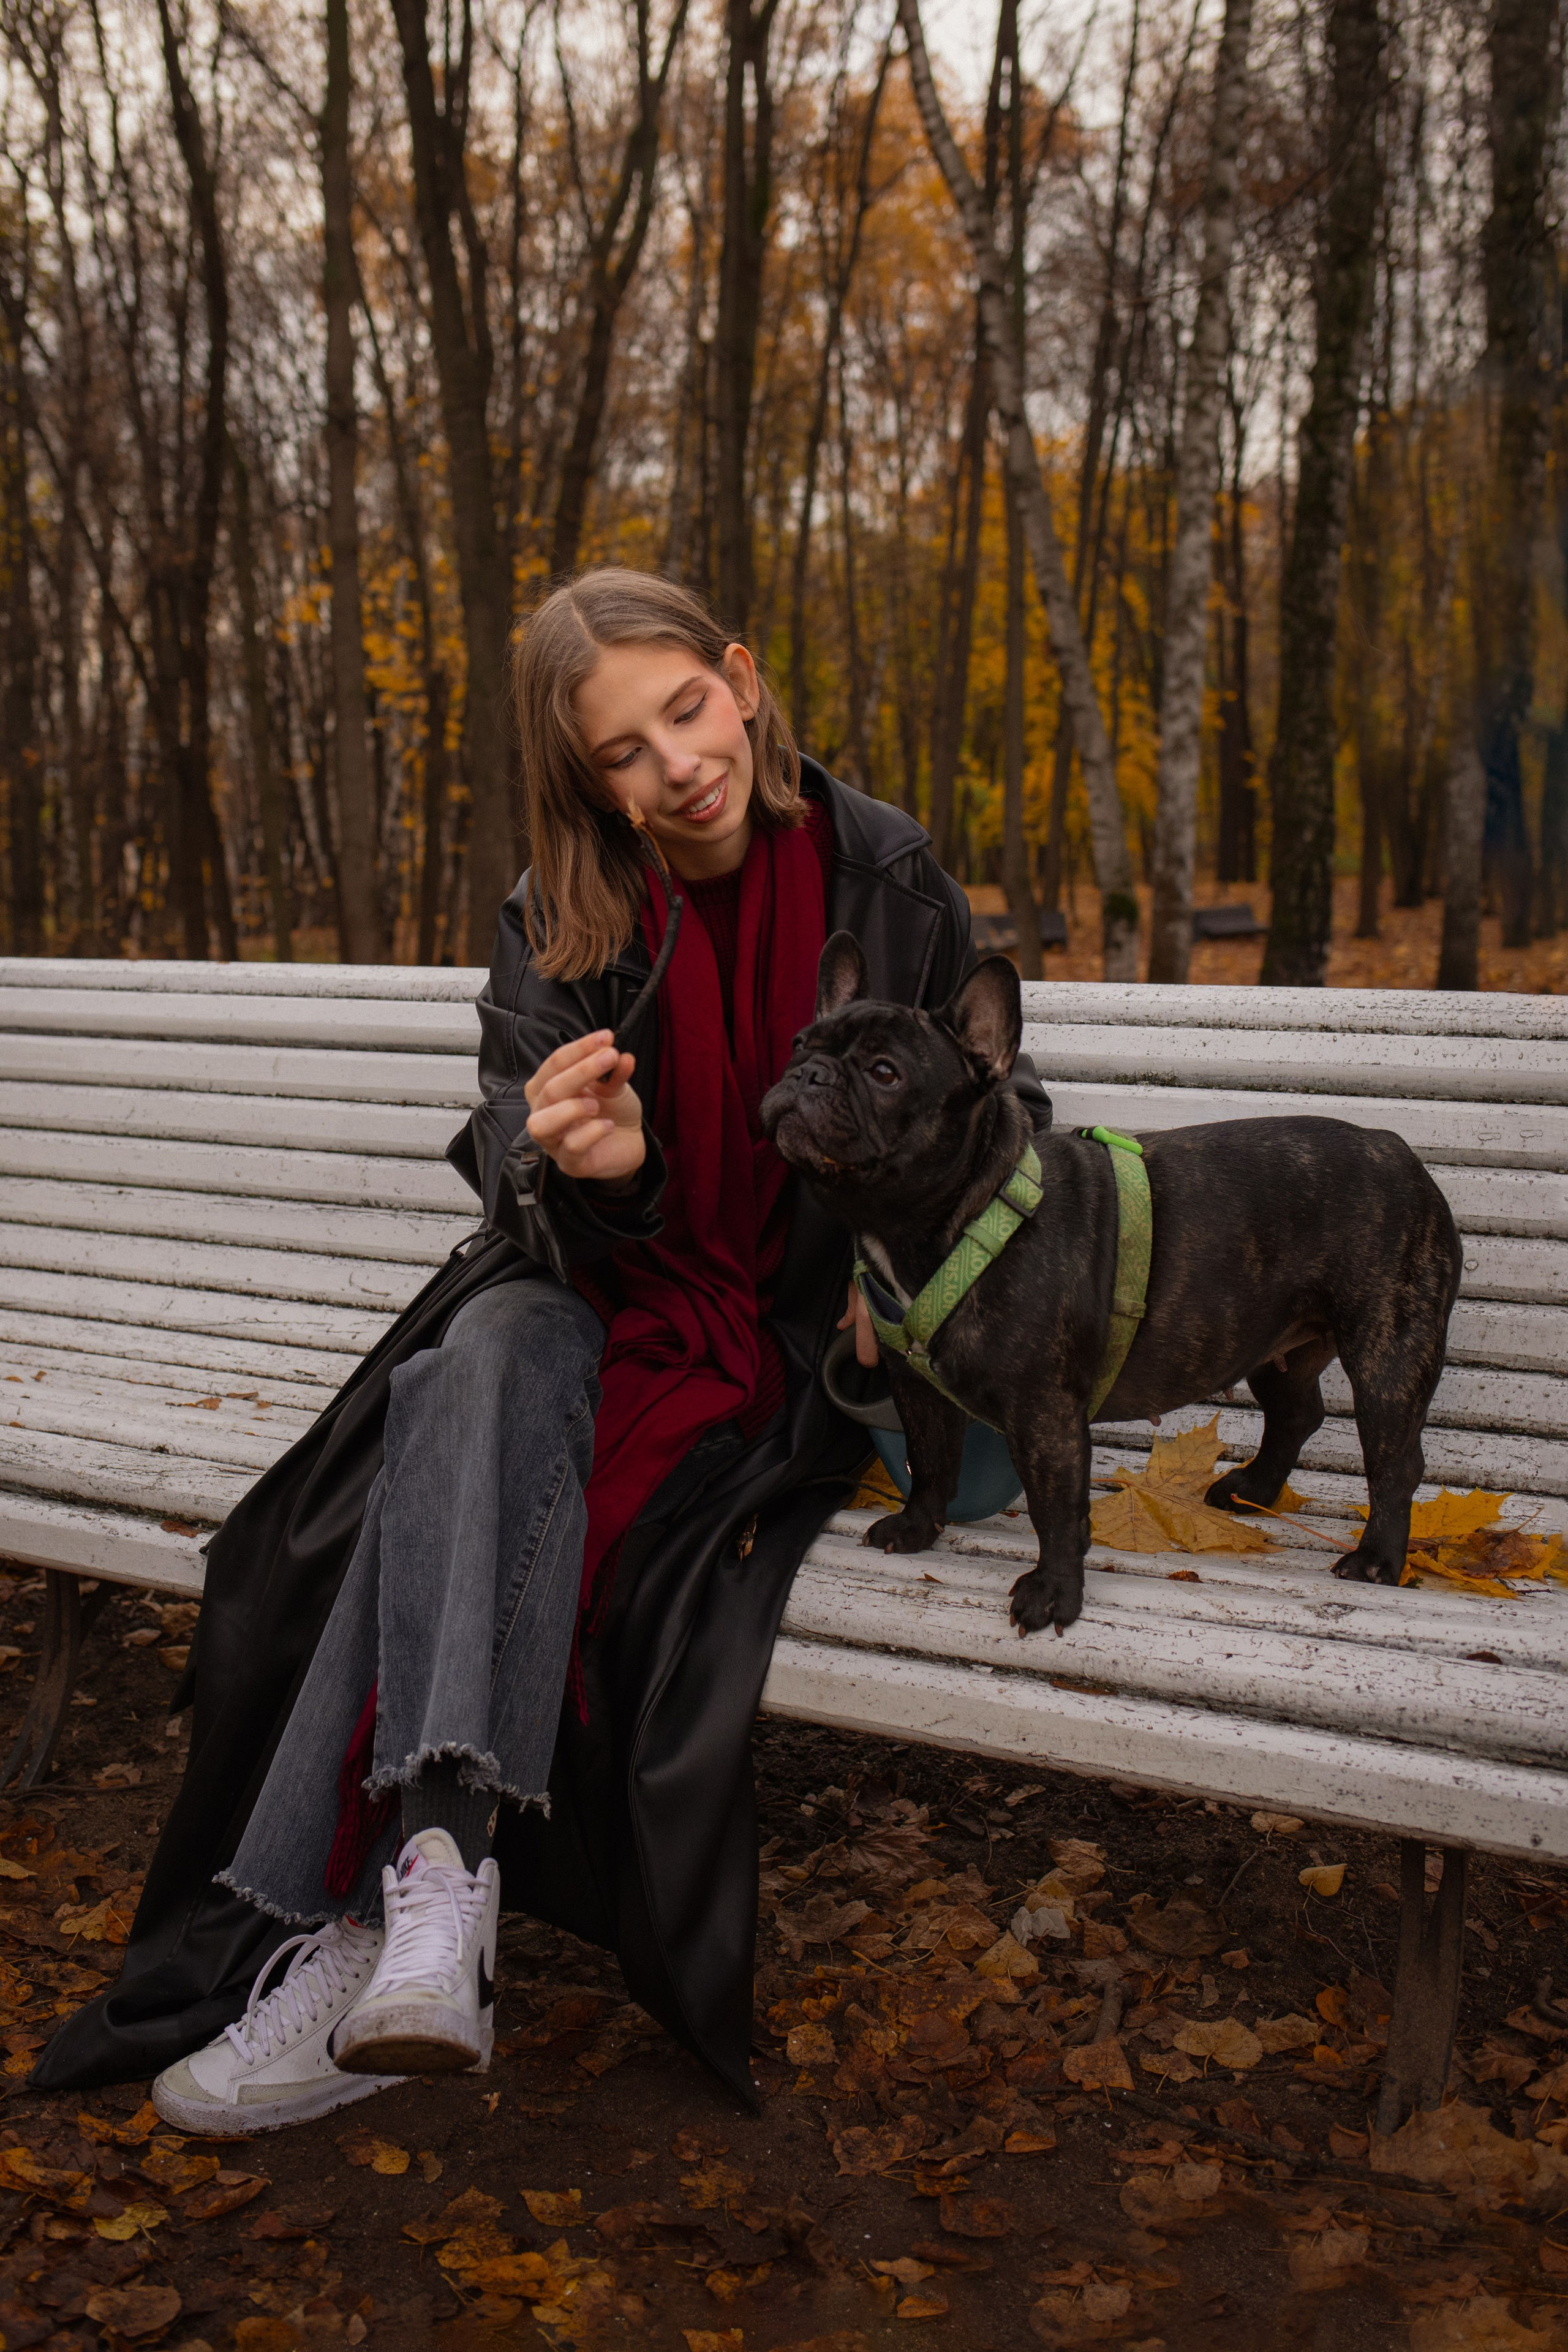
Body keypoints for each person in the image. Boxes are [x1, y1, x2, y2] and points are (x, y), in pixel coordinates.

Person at [35, 569, 1049, 2128]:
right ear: (588, 779)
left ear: (742, 678)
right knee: (485, 1364)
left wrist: (904, 1270)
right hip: (595, 1294)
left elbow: (983, 1114)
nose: (676, 766)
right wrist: (598, 1166)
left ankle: (365, 1919)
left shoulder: (888, 877)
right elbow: (522, 1171)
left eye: (685, 712)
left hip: (785, 1334)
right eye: (622, 753)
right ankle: (443, 1906)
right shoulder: (561, 913)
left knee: (442, 1470)